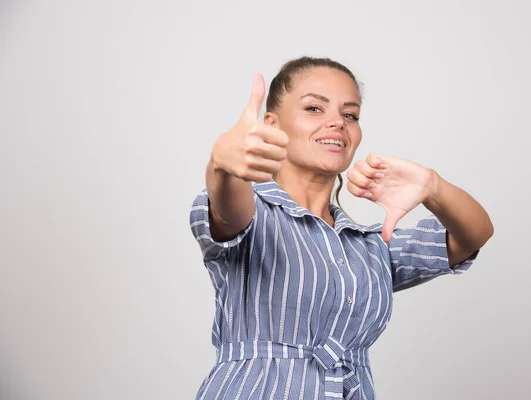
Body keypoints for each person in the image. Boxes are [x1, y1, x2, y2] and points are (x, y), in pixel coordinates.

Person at [189, 56, 494, 400]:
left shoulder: (369, 247)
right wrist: (222, 163)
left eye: (349, 115)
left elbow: (474, 235)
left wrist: (432, 186)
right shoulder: (255, 215)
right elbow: (229, 205)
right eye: (315, 109)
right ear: (271, 124)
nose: (337, 122)